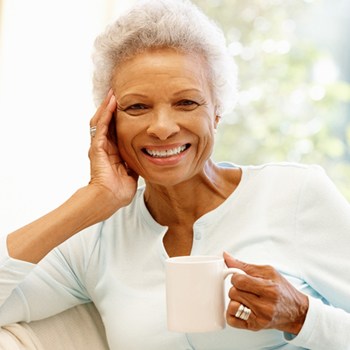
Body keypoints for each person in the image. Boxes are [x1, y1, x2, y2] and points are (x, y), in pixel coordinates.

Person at [1, 0, 350, 349]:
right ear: (109, 123)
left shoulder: (296, 193)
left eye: (187, 103)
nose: (163, 128)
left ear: (217, 111)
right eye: (137, 106)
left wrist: (302, 316)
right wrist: (92, 199)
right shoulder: (97, 237)